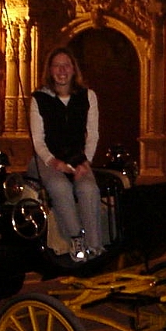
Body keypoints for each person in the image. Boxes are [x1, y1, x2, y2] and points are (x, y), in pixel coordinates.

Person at [28, 47, 103, 262]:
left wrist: (85, 162)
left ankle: (95, 245)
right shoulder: (39, 98)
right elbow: (38, 141)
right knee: (60, 186)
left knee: (88, 187)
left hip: (76, 156)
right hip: (46, 158)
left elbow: (93, 133)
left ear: (73, 69)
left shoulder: (88, 96)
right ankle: (76, 238)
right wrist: (54, 162)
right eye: (56, 66)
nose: (62, 70)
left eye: (66, 65)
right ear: (50, 70)